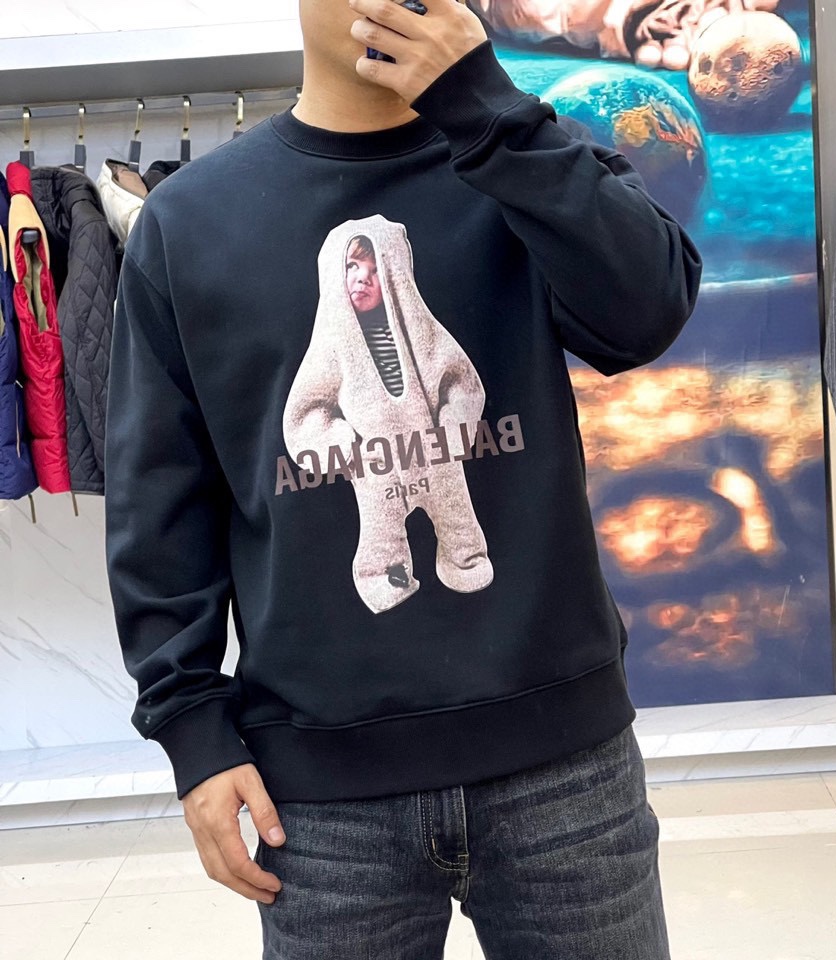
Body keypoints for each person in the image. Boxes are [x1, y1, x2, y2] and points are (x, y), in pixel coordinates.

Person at [104, 0, 702, 956]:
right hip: (319, 801)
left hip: (564, 767)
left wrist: (486, 107)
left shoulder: (527, 159)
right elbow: (160, 500)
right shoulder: (189, 222)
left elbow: (647, 312)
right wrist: (191, 729)